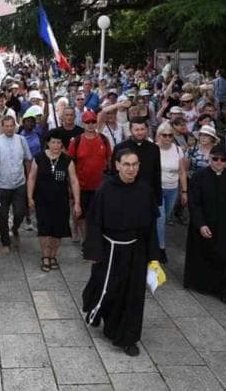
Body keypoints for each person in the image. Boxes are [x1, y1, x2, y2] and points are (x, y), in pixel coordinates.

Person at [82, 148, 160, 357]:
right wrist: (94, 251)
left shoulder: (144, 189)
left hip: (136, 249)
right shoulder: (105, 190)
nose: (131, 169)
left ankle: (127, 337)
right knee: (108, 289)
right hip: (110, 249)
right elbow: (95, 222)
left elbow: (151, 225)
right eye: (126, 164)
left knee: (133, 295)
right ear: (117, 165)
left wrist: (153, 257)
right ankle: (97, 309)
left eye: (135, 164)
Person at [183, 144, 226, 309]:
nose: (219, 162)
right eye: (215, 159)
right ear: (210, 159)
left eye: (223, 160)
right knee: (204, 254)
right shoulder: (199, 176)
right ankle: (205, 284)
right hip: (205, 222)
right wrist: (200, 224)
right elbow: (194, 203)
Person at [28, 127, 81, 271]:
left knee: (58, 229)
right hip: (42, 200)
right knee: (44, 228)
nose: (56, 146)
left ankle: (53, 255)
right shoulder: (39, 158)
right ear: (48, 143)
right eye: (53, 142)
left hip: (61, 200)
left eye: (59, 143)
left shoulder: (67, 160)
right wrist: (30, 197)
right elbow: (32, 178)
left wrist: (77, 202)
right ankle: (45, 256)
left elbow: (74, 181)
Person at [68, 110, 111, 247]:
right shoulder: (76, 141)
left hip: (100, 186)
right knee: (82, 216)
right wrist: (70, 183)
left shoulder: (104, 140)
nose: (91, 125)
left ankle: (96, 240)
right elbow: (70, 164)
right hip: (82, 186)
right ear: (83, 123)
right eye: (88, 122)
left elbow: (109, 160)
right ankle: (86, 241)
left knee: (100, 216)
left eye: (93, 122)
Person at [0, 115, 32, 252]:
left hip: (19, 183)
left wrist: (30, 177)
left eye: (11, 126)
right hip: (2, 185)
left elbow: (27, 159)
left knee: (20, 212)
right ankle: (5, 242)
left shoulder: (21, 140)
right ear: (2, 127)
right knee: (2, 215)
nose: (9, 128)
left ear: (15, 126)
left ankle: (15, 228)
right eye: (6, 126)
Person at [155, 122, 187, 263]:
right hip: (157, 189)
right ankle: (161, 249)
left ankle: (154, 237)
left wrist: (184, 191)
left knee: (166, 216)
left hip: (173, 189)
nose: (167, 138)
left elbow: (182, 172)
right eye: (165, 135)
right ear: (159, 135)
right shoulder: (154, 149)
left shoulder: (178, 150)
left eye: (170, 135)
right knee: (161, 219)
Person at [112, 118, 162, 208]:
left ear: (147, 130)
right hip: (125, 194)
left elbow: (157, 173)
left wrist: (158, 199)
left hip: (147, 195)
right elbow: (114, 173)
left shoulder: (154, 148)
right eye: (136, 129)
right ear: (131, 130)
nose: (140, 132)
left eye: (142, 129)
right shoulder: (120, 148)